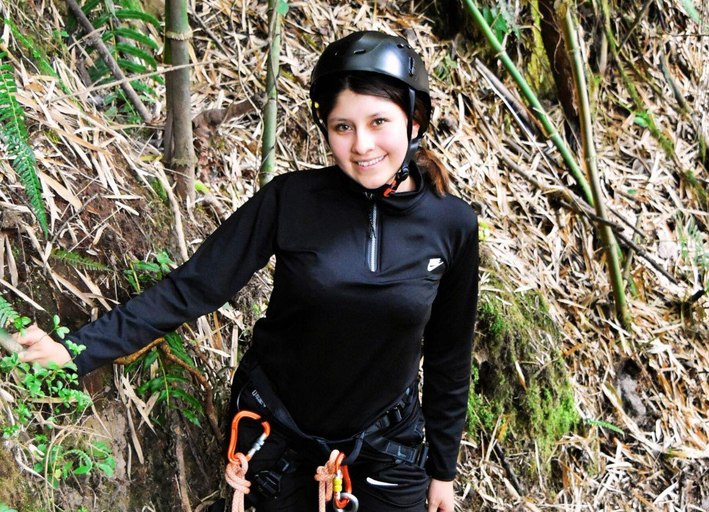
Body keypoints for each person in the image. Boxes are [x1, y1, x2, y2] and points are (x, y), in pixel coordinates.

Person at [15, 31, 479, 512]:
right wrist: (75, 352)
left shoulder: (453, 225)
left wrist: (443, 470)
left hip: (383, 450)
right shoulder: (291, 201)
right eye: (343, 127)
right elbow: (193, 288)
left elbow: (449, 356)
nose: (361, 145)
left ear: (415, 118)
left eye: (378, 121)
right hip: (275, 435)